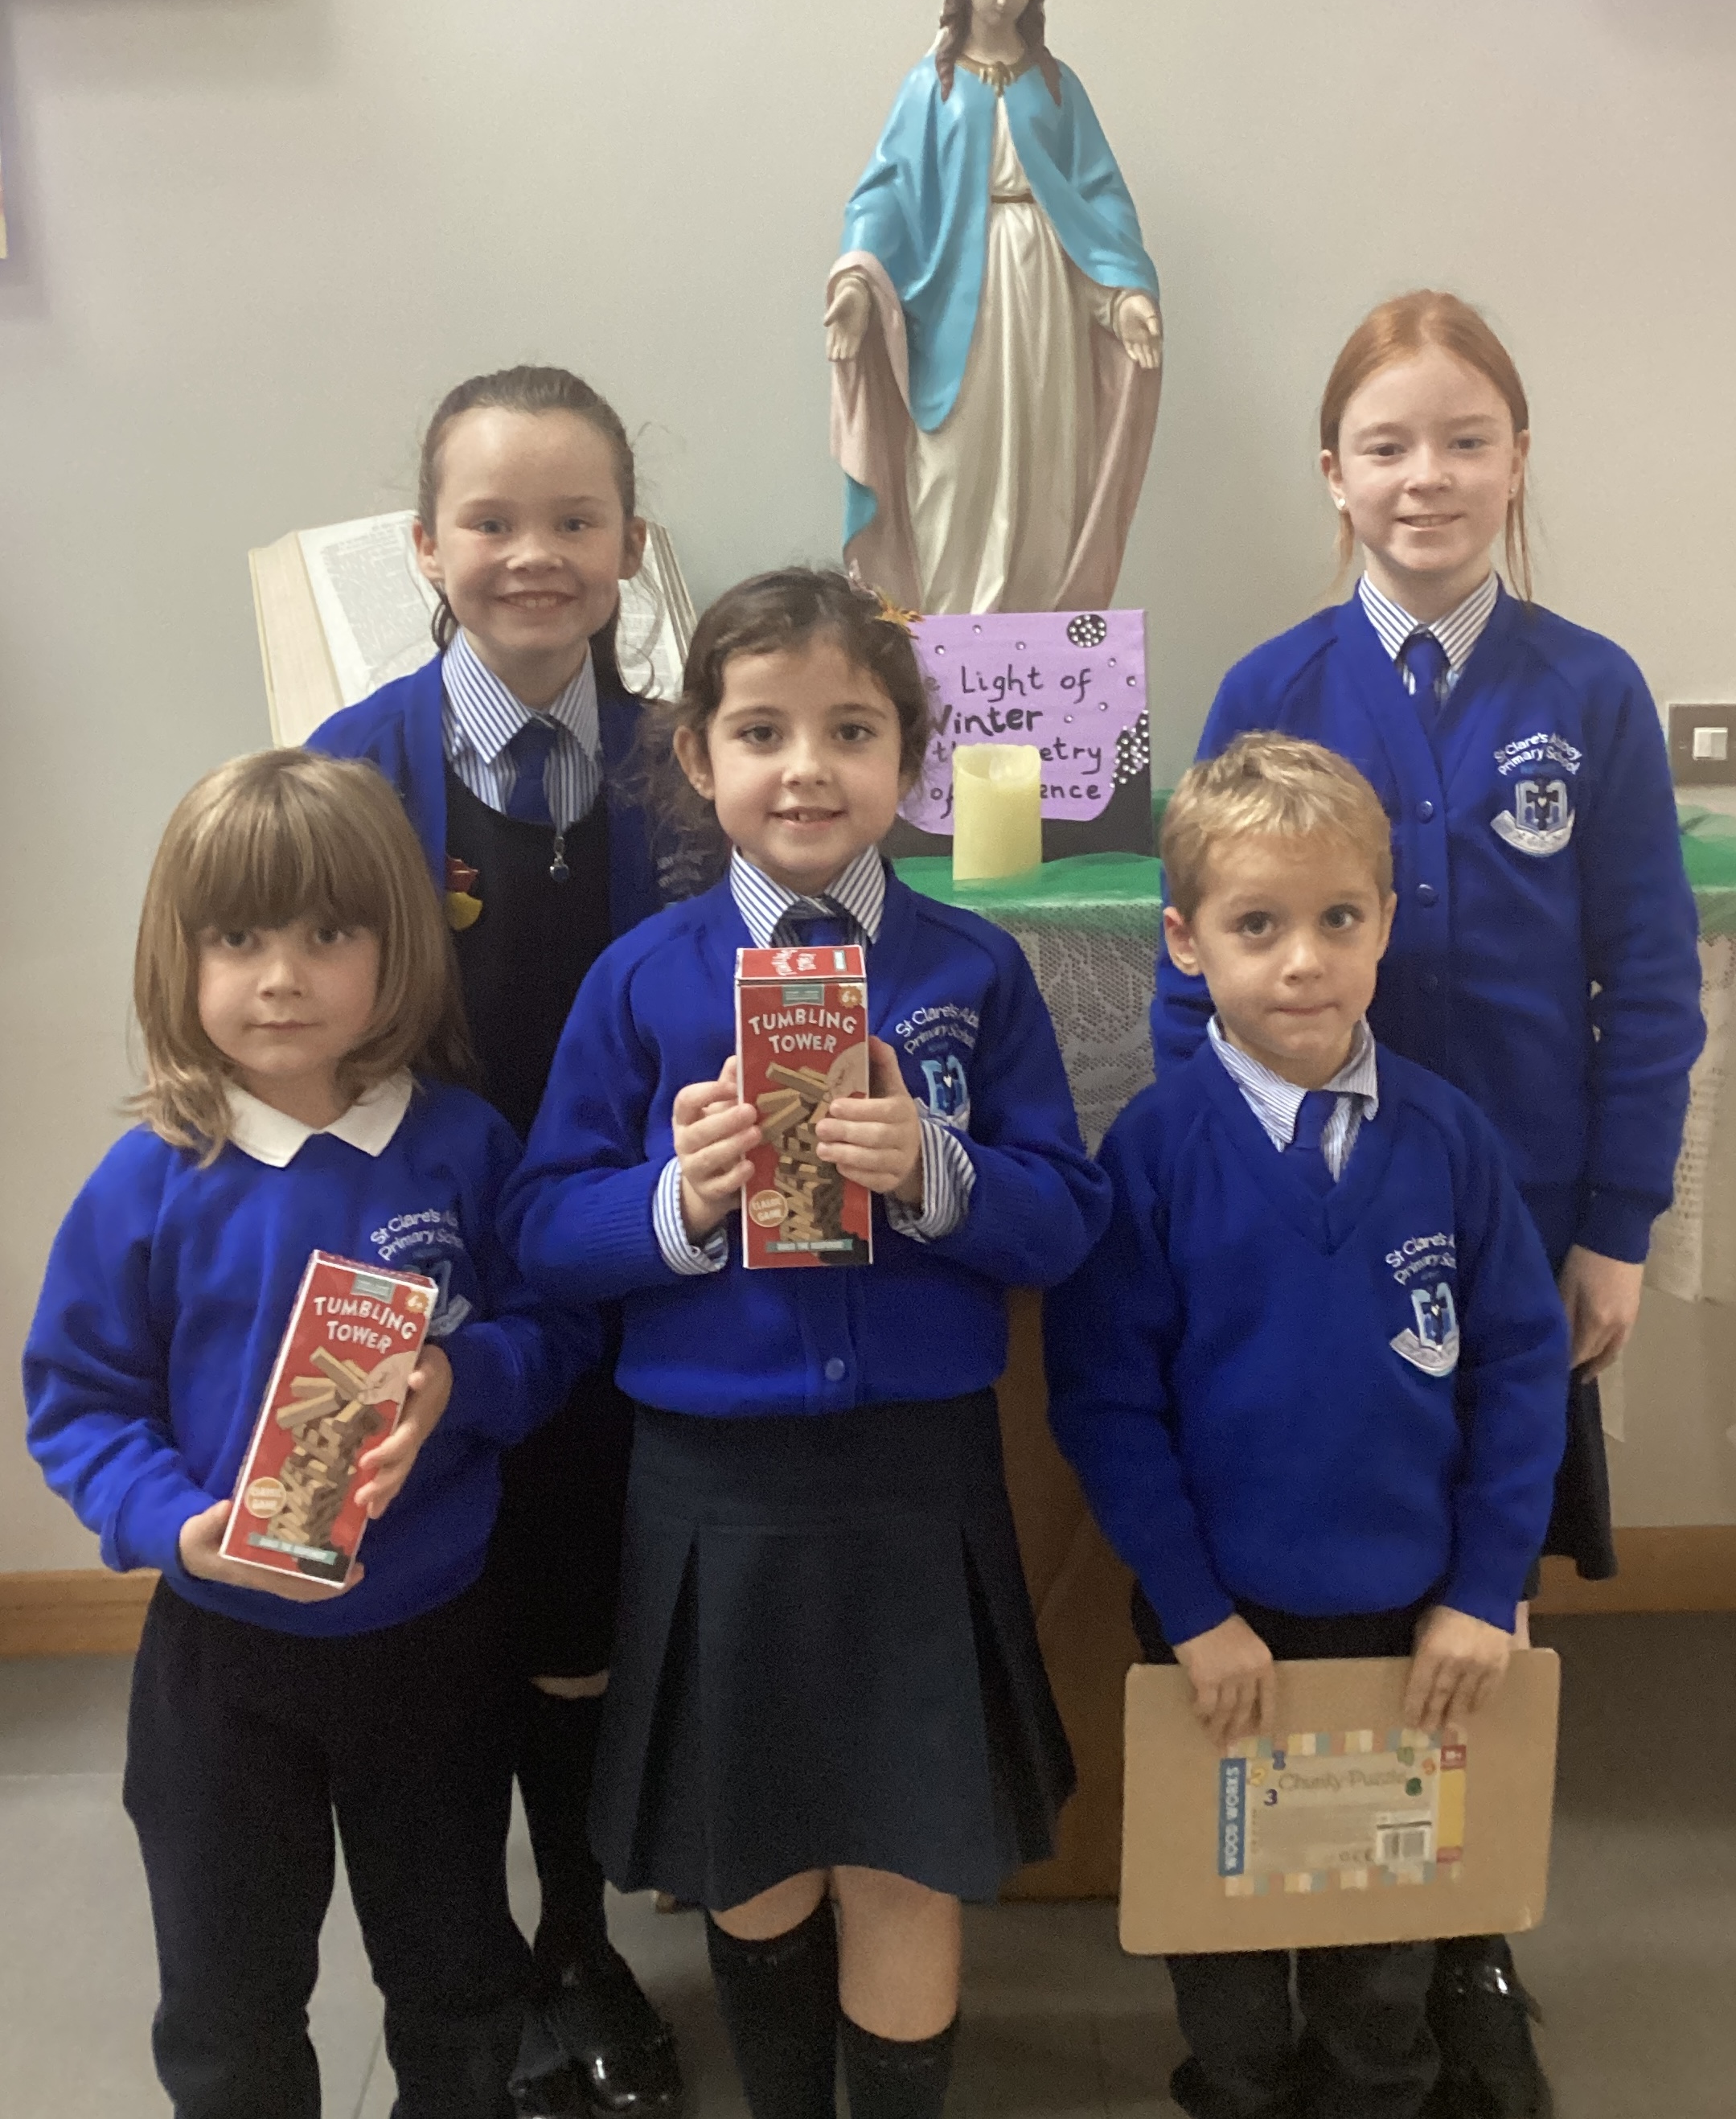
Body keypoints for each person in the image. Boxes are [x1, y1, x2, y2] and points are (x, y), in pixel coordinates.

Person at [1150, 291, 1706, 2117]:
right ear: (1332, 473)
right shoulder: (1269, 686)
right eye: (1386, 444)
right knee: (1326, 1572)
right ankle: (1307, 1939)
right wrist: (1221, 1192)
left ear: (1517, 460)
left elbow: (1648, 978)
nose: (1426, 476)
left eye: (1465, 439)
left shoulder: (1587, 691)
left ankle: (1461, 1941)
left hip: (1515, 1223)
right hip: (1308, 1217)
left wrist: (1612, 1222)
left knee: (1478, 1585)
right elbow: (1183, 985)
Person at [499, 568, 1110, 2119]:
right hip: (715, 1486)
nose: (806, 767)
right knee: (752, 1855)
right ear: (696, 755)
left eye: (850, 729)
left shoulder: (972, 971)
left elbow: (1063, 1219)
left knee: (905, 1860)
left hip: (917, 1482)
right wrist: (678, 1199)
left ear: (908, 756)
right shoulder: (641, 978)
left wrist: (939, 1172)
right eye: (761, 730)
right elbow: (542, 1228)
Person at [22, 749, 592, 2119]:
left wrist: (461, 1376)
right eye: (237, 938)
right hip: (222, 1661)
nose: (281, 977)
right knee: (227, 2001)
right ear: (180, 957)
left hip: (433, 1643)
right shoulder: (152, 1176)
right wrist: (176, 1525)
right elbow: (80, 1402)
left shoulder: (465, 1148)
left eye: (329, 934)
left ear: (399, 950)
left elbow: (559, 1332)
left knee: (458, 1977)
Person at [1048, 733, 1572, 2119]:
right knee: (1224, 1932)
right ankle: (1237, 2090)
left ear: (1386, 922)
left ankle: (1377, 2092)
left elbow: (1522, 1371)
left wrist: (1485, 1587)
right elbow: (1106, 1400)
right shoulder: (1154, 1154)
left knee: (1381, 1939)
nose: (1302, 962)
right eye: (1256, 925)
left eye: (1339, 919)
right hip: (1222, 1632)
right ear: (1184, 940)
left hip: (1412, 1629)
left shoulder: (1451, 1141)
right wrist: (1194, 1609)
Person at [309, 367, 687, 2119]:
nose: (534, 553)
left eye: (574, 519)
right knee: (444, 1611)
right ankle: (465, 1967)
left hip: (624, 1258)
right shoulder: (350, 769)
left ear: (629, 545)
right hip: (426, 1265)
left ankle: (582, 1938)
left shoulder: (690, 766)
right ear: (424, 546)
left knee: (585, 1604)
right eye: (491, 519)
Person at [827, 0, 1161, 614]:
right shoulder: (930, 86)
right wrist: (856, 280)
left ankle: (1035, 623)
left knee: (1044, 460)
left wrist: (1122, 293)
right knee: (951, 465)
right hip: (955, 287)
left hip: (1045, 283)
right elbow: (887, 191)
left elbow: (1098, 194)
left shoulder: (1056, 85)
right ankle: (947, 627)